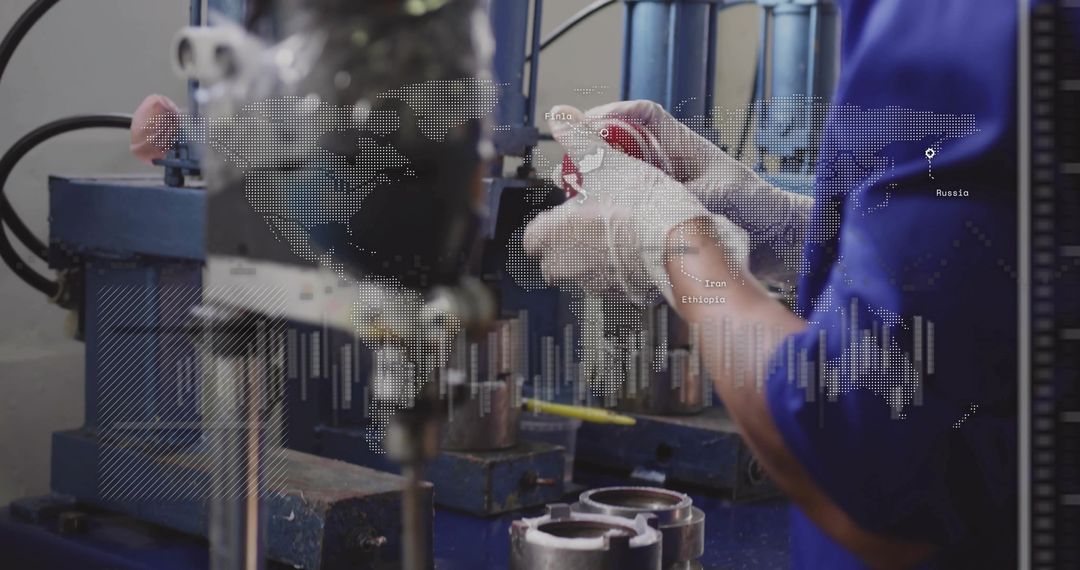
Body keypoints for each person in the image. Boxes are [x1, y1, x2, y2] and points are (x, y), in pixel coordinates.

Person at [523, 0, 1018, 568]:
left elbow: (868, 462)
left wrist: (676, 245)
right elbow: (989, 275)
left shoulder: (964, 22)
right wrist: (787, 228)